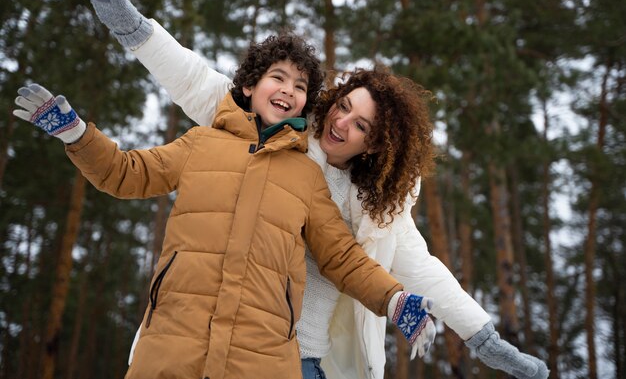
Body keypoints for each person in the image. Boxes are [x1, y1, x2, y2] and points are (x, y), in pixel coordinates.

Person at [72, 0, 549, 379]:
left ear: (377, 142)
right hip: (205, 334)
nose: (342, 123)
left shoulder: (375, 207)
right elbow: (195, 80)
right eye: (343, 107)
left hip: (298, 358)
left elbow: (417, 270)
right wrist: (134, 28)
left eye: (361, 124)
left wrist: (483, 338)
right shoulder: (278, 131)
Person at [13, 32, 436, 379]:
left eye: (301, 86)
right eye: (278, 77)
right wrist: (76, 134)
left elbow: (342, 257)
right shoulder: (200, 144)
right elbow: (127, 173)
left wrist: (396, 302)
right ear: (250, 85)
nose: (288, 90)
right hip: (172, 347)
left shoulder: (306, 177)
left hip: (262, 361)